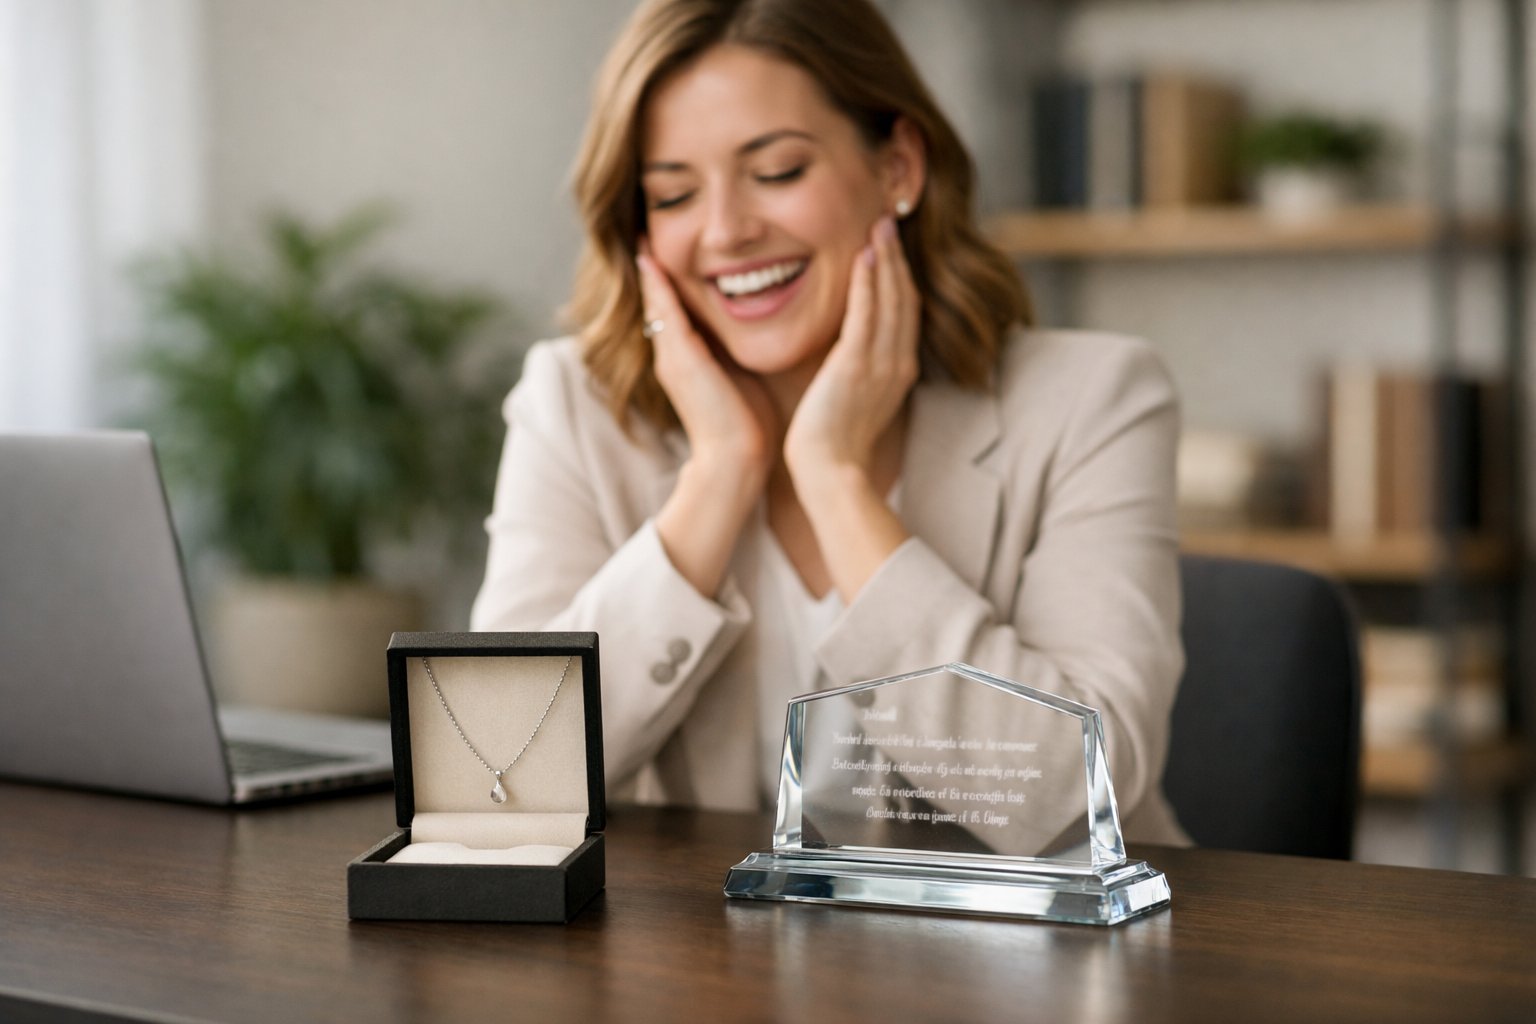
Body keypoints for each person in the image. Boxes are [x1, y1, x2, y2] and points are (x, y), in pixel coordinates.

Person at [472, 0, 1187, 844]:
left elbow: (1074, 801)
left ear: (898, 168)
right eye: (672, 194)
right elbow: (500, 784)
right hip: (703, 967)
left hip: (1033, 963)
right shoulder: (570, 406)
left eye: (777, 172)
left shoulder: (1093, 398)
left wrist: (835, 479)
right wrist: (718, 477)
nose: (727, 232)